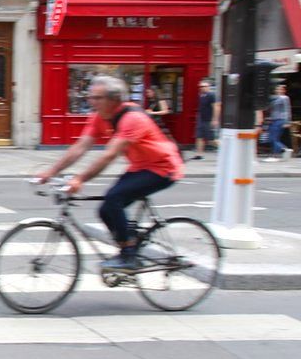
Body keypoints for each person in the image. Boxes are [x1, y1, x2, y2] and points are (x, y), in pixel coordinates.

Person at [36, 75, 184, 272]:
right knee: (105, 210)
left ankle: (129, 257)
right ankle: (129, 243)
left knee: (114, 198)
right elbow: (81, 146)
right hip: (140, 166)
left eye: (97, 98)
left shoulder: (133, 119)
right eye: (90, 97)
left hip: (164, 167)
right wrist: (51, 172)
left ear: (114, 100)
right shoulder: (99, 117)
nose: (91, 102)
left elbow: (109, 155)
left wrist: (80, 178)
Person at [191, 79, 220, 160]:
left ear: (208, 87)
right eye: (201, 86)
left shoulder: (211, 95)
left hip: (208, 119)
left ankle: (224, 149)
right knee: (199, 136)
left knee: (211, 139)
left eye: (204, 86)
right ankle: (199, 154)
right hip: (201, 118)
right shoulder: (201, 95)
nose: (202, 88)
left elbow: (216, 107)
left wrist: (215, 119)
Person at [264, 84, 293, 161]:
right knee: (274, 138)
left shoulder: (285, 98)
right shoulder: (275, 98)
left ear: (284, 90)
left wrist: (287, 121)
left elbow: (287, 110)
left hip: (280, 119)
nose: (278, 91)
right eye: (277, 89)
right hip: (274, 119)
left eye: (280, 89)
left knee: (274, 138)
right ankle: (275, 155)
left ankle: (283, 149)